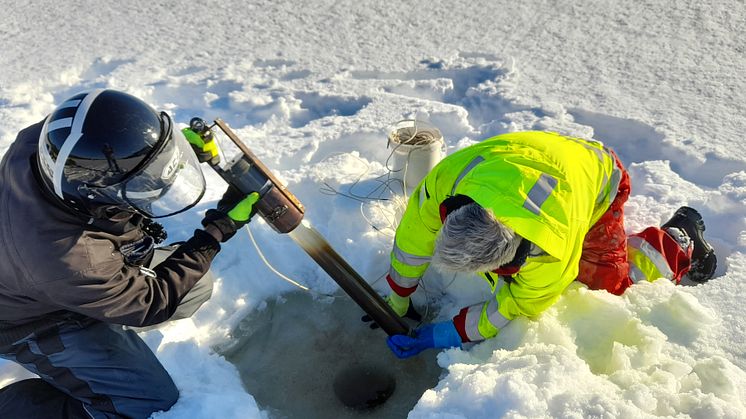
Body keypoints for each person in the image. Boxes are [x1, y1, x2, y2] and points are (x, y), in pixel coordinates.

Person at [0, 89, 259, 418]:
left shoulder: (46, 144)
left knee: (196, 285)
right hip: (32, 320)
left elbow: (108, 145)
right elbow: (152, 303)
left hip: (51, 277)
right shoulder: (69, 258)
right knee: (147, 403)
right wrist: (217, 231)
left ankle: (101, 321)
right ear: (93, 192)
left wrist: (168, 151)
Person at [383, 131, 717, 359]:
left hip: (599, 176)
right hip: (546, 155)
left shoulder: (550, 258)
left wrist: (442, 336)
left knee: (605, 287)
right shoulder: (444, 184)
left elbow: (509, 306)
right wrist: (396, 298)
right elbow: (412, 242)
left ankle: (677, 243)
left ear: (511, 258)